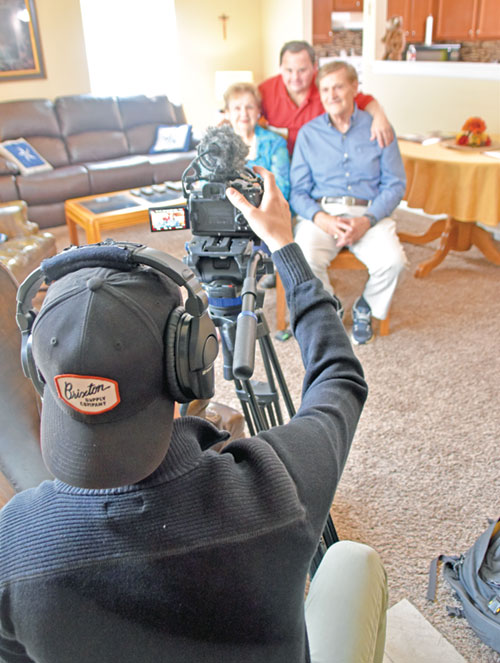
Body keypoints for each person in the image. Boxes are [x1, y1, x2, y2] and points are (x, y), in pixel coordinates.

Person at [0, 167, 387, 663]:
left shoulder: (14, 542)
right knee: (354, 560)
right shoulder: (275, 485)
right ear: (189, 365)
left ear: (39, 366)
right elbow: (340, 379)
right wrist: (284, 246)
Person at [290, 61, 407, 346]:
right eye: (326, 89)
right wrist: (321, 218)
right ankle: (331, 304)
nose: (332, 95)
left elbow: (395, 184)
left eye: (339, 87)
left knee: (394, 262)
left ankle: (366, 306)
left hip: (369, 212)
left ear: (355, 88)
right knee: (303, 258)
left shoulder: (379, 129)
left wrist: (367, 220)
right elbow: (298, 192)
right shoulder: (308, 134)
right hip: (323, 213)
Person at [259, 40, 394, 154]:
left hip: (318, 161)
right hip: (279, 163)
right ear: (280, 68)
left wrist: (379, 117)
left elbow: (364, 101)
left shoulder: (327, 88)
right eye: (289, 70)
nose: (295, 77)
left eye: (302, 70)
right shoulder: (265, 90)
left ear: (314, 67)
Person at [223, 81, 290, 200]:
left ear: (258, 111)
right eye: (237, 108)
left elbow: (282, 189)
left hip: (267, 211)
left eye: (249, 107)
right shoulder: (216, 146)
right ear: (227, 113)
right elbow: (205, 185)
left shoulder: (275, 143)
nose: (244, 113)